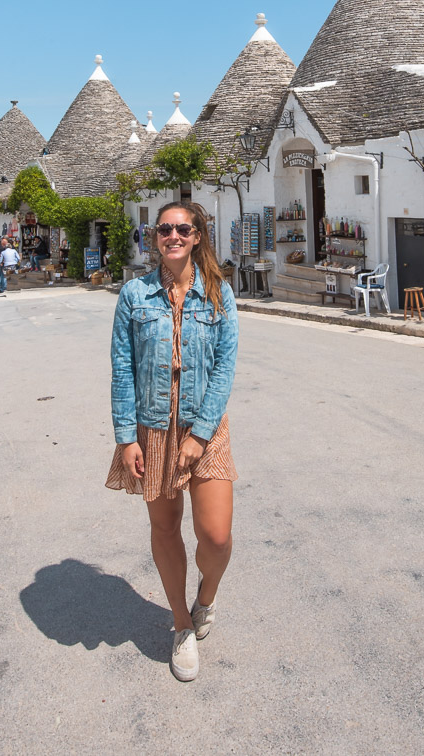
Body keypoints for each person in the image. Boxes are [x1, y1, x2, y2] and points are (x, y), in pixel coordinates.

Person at [105, 202, 238, 682]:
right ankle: (181, 624)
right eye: (165, 229)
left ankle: (206, 598)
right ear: (154, 237)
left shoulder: (219, 294)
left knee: (216, 537)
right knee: (165, 528)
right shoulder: (134, 295)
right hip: (153, 428)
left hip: (205, 425)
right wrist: (126, 436)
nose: (173, 235)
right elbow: (122, 369)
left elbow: (225, 367)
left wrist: (200, 433)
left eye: (183, 228)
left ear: (198, 235)